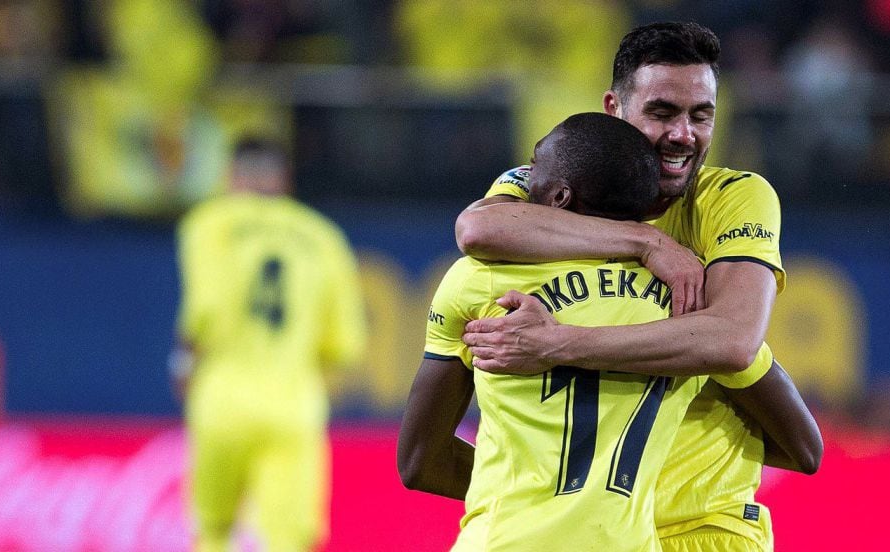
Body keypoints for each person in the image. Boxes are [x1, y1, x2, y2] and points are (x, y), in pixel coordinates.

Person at [456, 22, 822, 551]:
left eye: (701, 115)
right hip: (593, 531)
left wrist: (558, 345)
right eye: (662, 112)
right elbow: (478, 227)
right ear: (614, 107)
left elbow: (734, 340)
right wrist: (645, 243)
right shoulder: (557, 175)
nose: (683, 135)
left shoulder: (734, 198)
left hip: (703, 528)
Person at [398, 112, 711, 551]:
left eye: (534, 169)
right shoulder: (694, 306)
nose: (522, 184)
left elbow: (419, 463)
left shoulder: (482, 280)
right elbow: (804, 448)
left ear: (560, 196)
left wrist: (538, 492)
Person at [172, 137, 368, 552]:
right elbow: (345, 345)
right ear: (284, 179)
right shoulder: (323, 236)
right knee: (288, 539)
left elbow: (202, 309)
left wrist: (183, 365)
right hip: (294, 406)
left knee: (212, 530)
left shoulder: (210, 222)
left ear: (231, 176)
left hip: (220, 399)